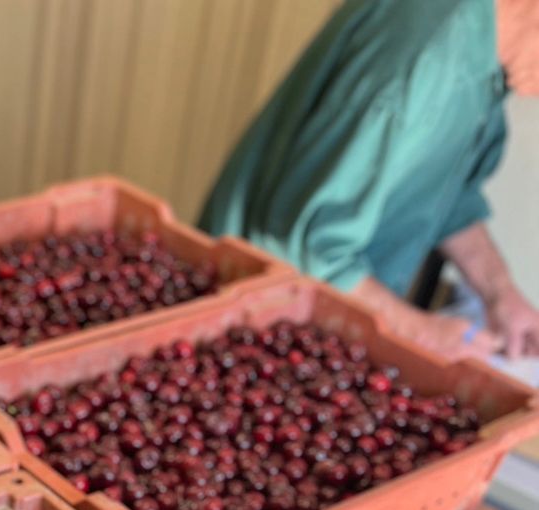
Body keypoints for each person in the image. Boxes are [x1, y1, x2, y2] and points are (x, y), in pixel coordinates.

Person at [201, 0, 539, 359]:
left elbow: (447, 196)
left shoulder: (486, 51)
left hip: (329, 319)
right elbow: (310, 249)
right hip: (260, 320)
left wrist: (500, 292)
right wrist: (421, 331)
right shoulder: (425, 58)